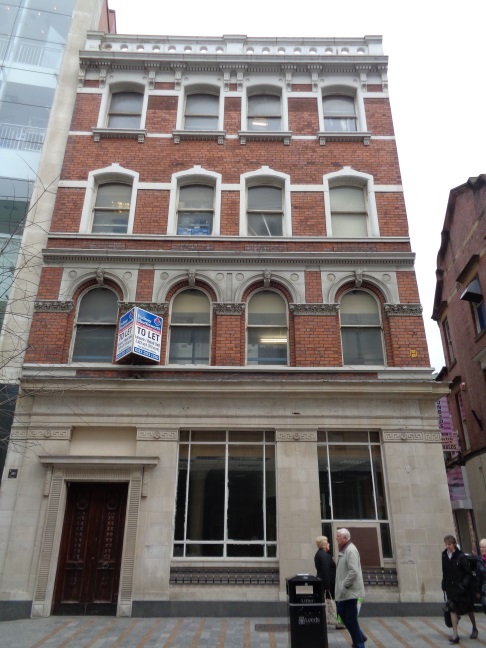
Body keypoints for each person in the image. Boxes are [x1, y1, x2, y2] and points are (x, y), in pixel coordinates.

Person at [442, 534, 478, 643]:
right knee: (452, 608)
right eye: (446, 544)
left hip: (461, 588)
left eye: (449, 544)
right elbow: (445, 571)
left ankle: (474, 627)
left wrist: (464, 584)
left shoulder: (460, 556)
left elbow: (468, 573)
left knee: (469, 609)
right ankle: (455, 634)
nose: (447, 546)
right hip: (451, 587)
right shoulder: (444, 555)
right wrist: (444, 583)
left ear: (454, 544)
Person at [335, 528, 367, 648]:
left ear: (345, 538)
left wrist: (344, 585)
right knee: (342, 613)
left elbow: (353, 571)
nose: (336, 538)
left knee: (350, 619)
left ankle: (359, 644)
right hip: (345, 593)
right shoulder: (345, 549)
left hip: (350, 592)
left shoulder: (351, 550)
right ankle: (359, 636)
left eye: (338, 536)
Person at [475, 538, 486, 614]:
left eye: (483, 547)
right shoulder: (479, 560)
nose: (481, 549)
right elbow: (478, 577)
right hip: (484, 588)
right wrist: (478, 590)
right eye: (480, 547)